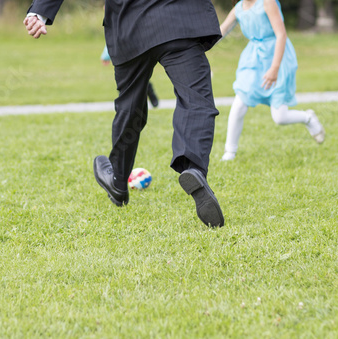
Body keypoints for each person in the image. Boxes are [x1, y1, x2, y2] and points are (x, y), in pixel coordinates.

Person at [24, 0, 225, 227]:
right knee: (196, 100)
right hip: (179, 20)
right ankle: (193, 168)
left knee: (130, 109)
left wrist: (40, 11)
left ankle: (118, 181)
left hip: (129, 24)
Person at [219, 0, 325, 161]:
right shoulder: (238, 8)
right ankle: (230, 152)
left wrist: (274, 68)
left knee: (280, 117)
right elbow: (221, 31)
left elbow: (281, 34)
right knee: (240, 102)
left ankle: (308, 117)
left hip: (277, 58)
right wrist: (198, 46)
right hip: (253, 60)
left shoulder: (267, 3)